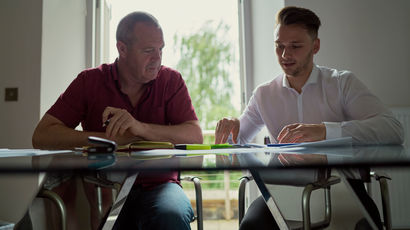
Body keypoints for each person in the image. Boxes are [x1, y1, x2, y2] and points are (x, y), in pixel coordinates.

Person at [215, 6, 403, 230]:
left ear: (315, 46)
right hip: (284, 193)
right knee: (251, 226)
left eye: (295, 46)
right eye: (279, 46)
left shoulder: (342, 84)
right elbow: (234, 145)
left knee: (366, 225)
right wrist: (233, 127)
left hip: (343, 189)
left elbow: (393, 129)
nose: (285, 55)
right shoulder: (264, 95)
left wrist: (325, 131)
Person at [32, 11, 202, 230]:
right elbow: (42, 135)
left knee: (171, 215)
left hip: (161, 186)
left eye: (161, 49)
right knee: (103, 221)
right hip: (104, 188)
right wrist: (109, 140)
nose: (158, 58)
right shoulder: (89, 81)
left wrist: (139, 128)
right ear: (122, 49)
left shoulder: (171, 80)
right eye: (149, 50)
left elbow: (195, 135)